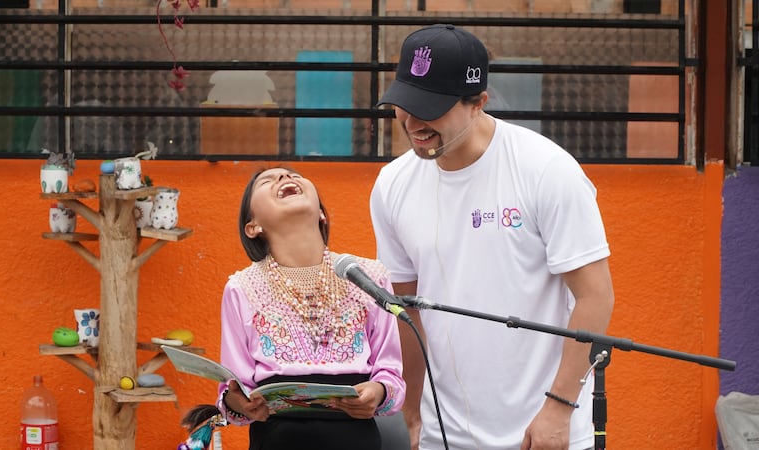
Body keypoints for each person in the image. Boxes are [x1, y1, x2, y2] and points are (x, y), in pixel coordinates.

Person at [370, 24, 615, 450]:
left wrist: (559, 408)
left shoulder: (545, 170)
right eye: (404, 104)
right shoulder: (392, 184)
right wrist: (411, 411)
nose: (413, 122)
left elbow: (596, 297)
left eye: (432, 108)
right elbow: (406, 311)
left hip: (541, 431)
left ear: (479, 103)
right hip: (441, 433)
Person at [211, 166, 406, 450]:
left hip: (356, 437)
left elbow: (391, 373)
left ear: (322, 214)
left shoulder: (368, 277)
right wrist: (237, 400)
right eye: (268, 180)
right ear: (253, 227)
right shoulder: (241, 289)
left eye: (294, 175)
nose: (284, 178)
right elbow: (232, 386)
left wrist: (378, 391)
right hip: (278, 440)